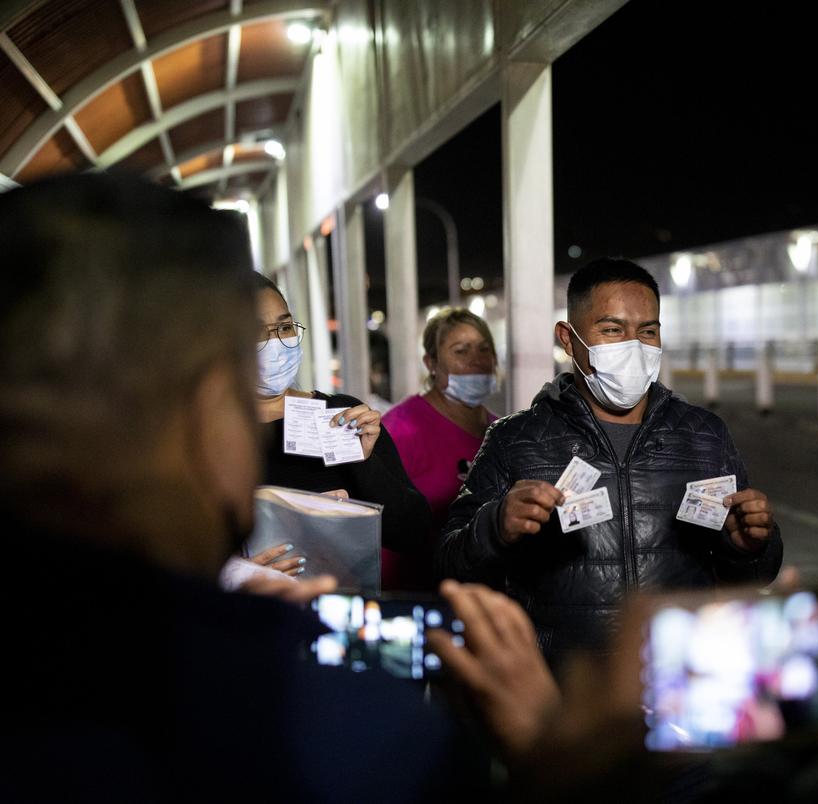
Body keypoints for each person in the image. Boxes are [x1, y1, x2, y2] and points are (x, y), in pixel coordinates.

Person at [0, 173, 559, 800]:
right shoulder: (356, 734)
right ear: (209, 412)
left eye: (286, 326)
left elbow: (413, 527)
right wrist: (553, 758)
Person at [438, 257, 783, 668]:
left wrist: (748, 548)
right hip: (565, 688)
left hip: (677, 677)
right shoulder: (516, 439)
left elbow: (752, 576)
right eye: (612, 329)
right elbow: (449, 563)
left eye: (648, 331)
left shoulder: (704, 435)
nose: (633, 346)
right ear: (568, 339)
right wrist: (494, 527)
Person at [252, 272, 432, 581]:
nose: (277, 343)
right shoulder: (204, 436)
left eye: (284, 327)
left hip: (340, 611)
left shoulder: (339, 414)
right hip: (247, 616)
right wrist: (235, 572)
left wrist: (363, 462)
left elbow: (413, 533)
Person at [381, 308, 499, 590]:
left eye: (484, 349)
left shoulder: (502, 431)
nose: (476, 360)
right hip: (418, 592)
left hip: (484, 594)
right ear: (431, 363)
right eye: (461, 351)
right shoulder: (401, 428)